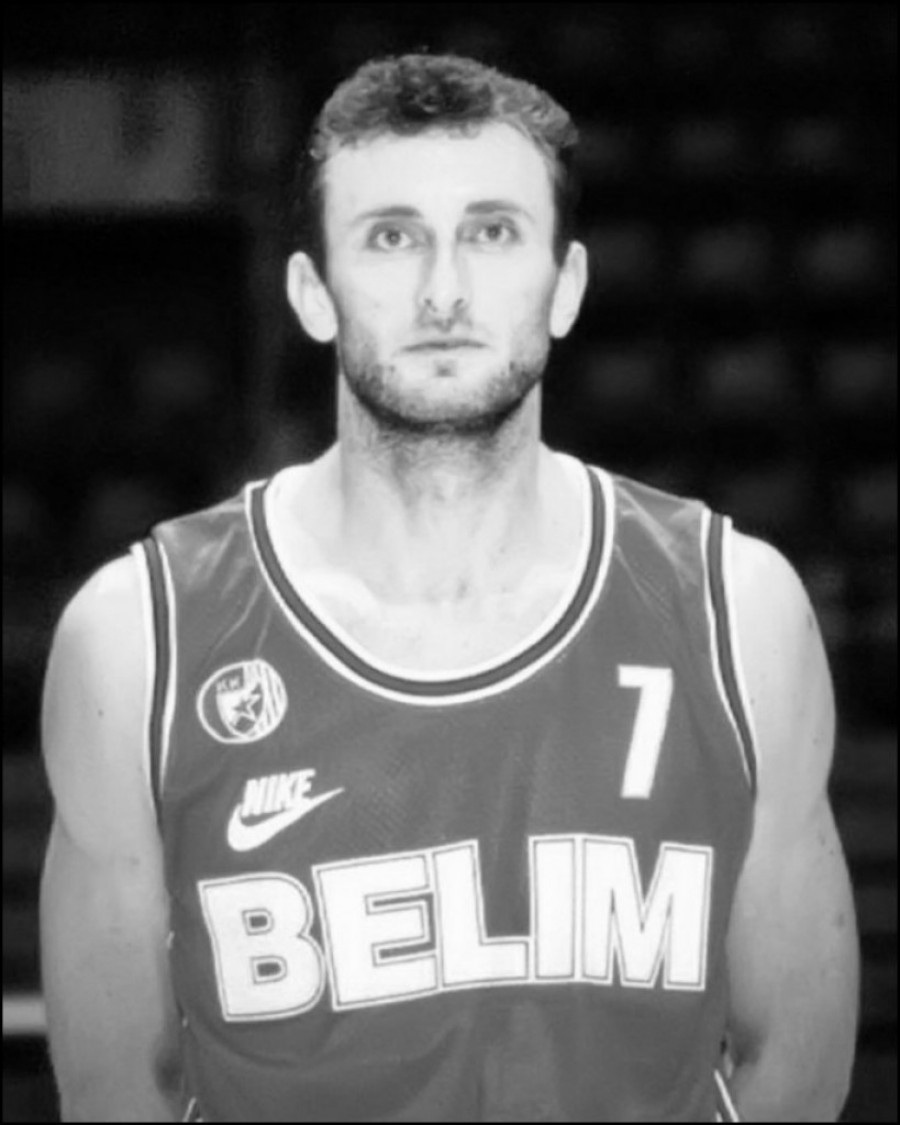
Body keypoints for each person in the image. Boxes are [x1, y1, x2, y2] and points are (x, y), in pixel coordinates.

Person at [40, 52, 859, 1122]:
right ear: (312, 294)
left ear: (566, 287)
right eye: (391, 237)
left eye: (492, 232)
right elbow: (115, 1089)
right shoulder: (137, 642)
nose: (443, 290)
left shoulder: (737, 611)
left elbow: (796, 1059)